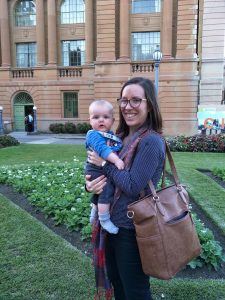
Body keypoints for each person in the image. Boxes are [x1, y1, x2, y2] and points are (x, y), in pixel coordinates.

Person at [86, 77, 166, 300]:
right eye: (123, 100)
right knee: (119, 286)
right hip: (111, 226)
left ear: (149, 104)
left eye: (135, 100)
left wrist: (104, 164)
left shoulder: (151, 141)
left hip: (133, 231)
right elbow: (101, 173)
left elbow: (132, 185)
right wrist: (90, 185)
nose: (127, 106)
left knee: (136, 292)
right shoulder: (118, 137)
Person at [86, 100, 124, 234]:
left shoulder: (112, 135)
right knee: (106, 189)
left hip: (103, 167)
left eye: (105, 117)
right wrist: (117, 160)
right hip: (95, 168)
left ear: (113, 120)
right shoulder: (93, 135)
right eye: (96, 117)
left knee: (103, 189)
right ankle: (104, 219)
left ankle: (94, 211)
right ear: (90, 120)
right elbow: (102, 150)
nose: (101, 120)